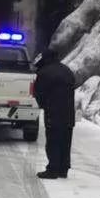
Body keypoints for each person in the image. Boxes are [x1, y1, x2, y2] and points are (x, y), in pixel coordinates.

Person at [32, 48, 76, 179]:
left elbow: (38, 94)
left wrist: (44, 106)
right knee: (65, 140)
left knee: (53, 141)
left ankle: (52, 169)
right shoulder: (67, 70)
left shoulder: (44, 72)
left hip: (53, 112)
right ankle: (63, 169)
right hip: (68, 113)